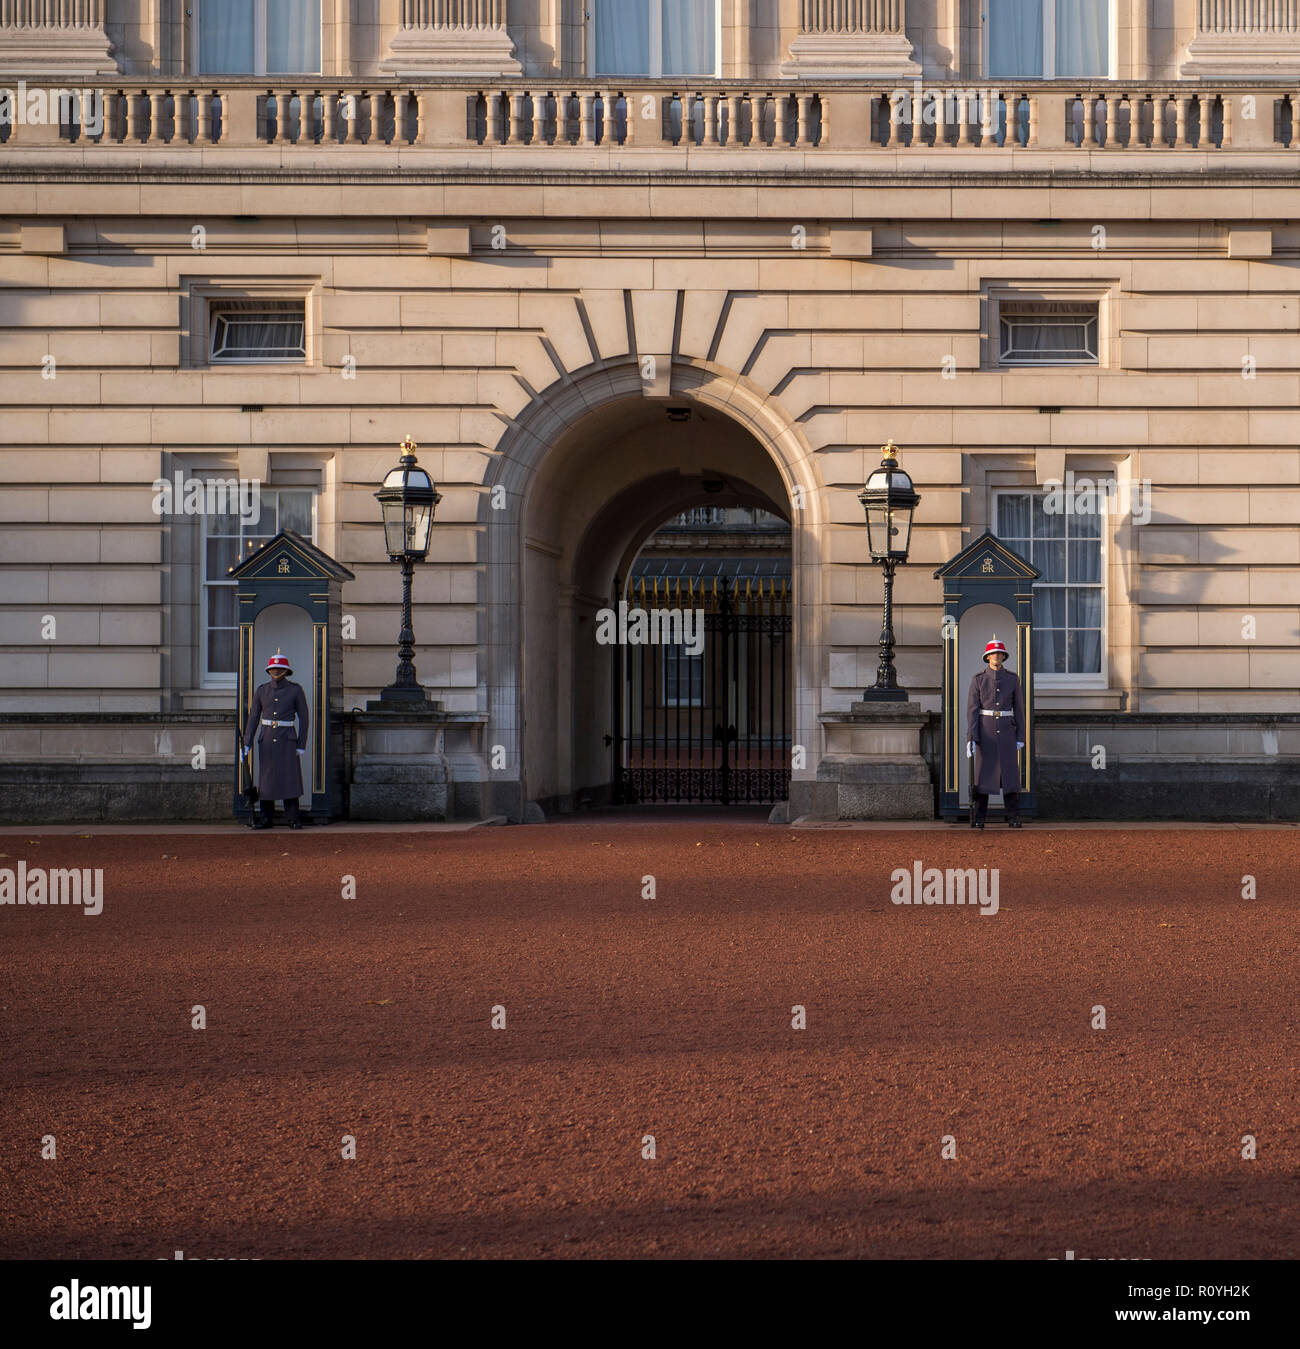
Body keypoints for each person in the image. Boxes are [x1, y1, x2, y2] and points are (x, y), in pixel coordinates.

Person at [241, 651, 309, 829]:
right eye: (273, 668)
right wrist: (246, 743)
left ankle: (293, 817)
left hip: (287, 738)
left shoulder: (295, 690)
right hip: (268, 739)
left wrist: (301, 744)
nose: (276, 671)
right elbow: (254, 718)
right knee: (267, 780)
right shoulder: (262, 690)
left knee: (289, 779)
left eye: (280, 668)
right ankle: (266, 818)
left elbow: (304, 717)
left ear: (286, 671)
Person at [965, 636, 1025, 829]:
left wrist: (1020, 736)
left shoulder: (1012, 679)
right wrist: (972, 737)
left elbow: (1020, 709)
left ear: (1003, 656)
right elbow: (973, 711)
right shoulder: (979, 680)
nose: (996, 656)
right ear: (988, 657)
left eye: (999, 653)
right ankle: (980, 816)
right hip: (986, 731)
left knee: (1009, 776)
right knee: (983, 776)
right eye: (993, 653)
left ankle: (1013, 816)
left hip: (1007, 730)